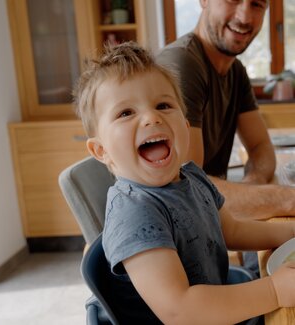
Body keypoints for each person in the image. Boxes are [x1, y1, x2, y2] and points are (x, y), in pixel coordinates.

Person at [74, 41, 295, 325]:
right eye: (126, 113)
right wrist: (274, 291)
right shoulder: (134, 212)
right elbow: (180, 309)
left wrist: (289, 232)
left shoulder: (192, 176)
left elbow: (233, 231)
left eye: (163, 105)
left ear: (185, 123)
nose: (152, 117)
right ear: (101, 151)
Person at [156, 0, 295, 221]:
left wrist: (252, 185)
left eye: (257, 4)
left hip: (212, 223)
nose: (245, 17)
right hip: (173, 237)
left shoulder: (235, 71)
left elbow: (261, 147)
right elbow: (186, 186)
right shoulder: (181, 64)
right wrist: (286, 199)